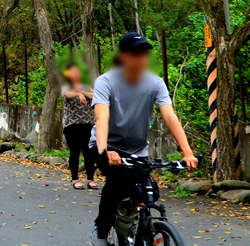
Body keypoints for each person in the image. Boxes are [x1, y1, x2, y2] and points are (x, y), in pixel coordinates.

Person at [88, 33, 198, 246]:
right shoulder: (106, 81)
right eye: (135, 54)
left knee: (147, 191)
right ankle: (100, 232)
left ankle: (131, 225)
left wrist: (187, 152)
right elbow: (102, 116)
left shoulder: (155, 83)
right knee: (117, 180)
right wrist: (105, 150)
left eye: (144, 54)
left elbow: (169, 115)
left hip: (136, 149)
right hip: (105, 146)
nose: (141, 59)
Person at [61, 64, 97, 190]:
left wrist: (82, 92)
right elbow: (67, 95)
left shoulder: (87, 86)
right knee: (75, 151)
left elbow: (95, 96)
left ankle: (91, 179)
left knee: (89, 152)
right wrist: (78, 94)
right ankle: (75, 179)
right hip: (71, 124)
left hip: (87, 123)